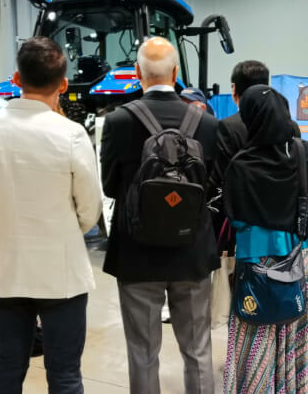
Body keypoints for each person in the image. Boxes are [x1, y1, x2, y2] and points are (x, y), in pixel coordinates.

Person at [0, 36, 102, 393]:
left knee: (8, 367)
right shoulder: (72, 134)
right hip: (62, 272)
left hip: (6, 268)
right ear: (63, 83)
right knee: (65, 373)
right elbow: (90, 208)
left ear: (16, 78)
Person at [100, 37, 219, 394]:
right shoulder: (208, 123)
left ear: (137, 73)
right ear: (177, 72)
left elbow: (109, 186)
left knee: (142, 353)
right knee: (198, 351)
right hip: (192, 250)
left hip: (136, 252)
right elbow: (212, 186)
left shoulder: (118, 120)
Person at [222, 84, 308, 394]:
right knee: (296, 326)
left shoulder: (241, 164)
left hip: (255, 261)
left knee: (255, 333)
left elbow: (236, 218)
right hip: (298, 259)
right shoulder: (303, 152)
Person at [209, 60, 271, 189]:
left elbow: (219, 178)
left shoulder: (228, 127)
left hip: (241, 205)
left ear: (234, 89)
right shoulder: (290, 126)